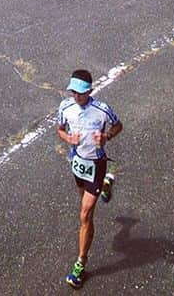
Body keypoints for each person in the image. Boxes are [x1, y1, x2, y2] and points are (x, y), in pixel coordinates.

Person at [55, 69, 123, 289]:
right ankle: (105, 186)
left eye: (81, 93)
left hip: (96, 164)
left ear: (90, 91)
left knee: (85, 214)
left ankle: (80, 263)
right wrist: (68, 138)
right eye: (74, 92)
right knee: (84, 204)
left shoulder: (101, 110)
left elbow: (118, 125)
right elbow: (60, 129)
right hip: (77, 163)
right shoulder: (65, 107)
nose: (77, 96)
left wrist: (106, 137)